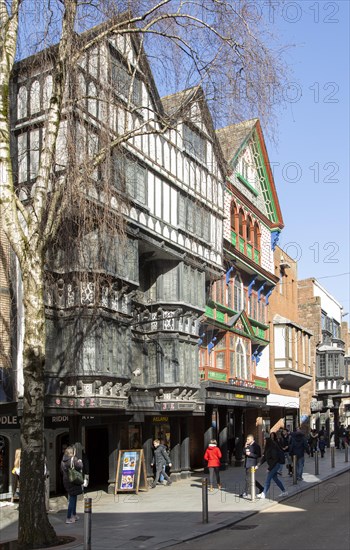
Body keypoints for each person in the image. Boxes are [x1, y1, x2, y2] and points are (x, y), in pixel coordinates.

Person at [61, 445, 83, 524]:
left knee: (73, 497)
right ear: (72, 452)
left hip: (66, 481)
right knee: (72, 500)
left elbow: (62, 470)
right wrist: (80, 461)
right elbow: (80, 466)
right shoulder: (73, 459)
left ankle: (74, 515)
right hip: (73, 481)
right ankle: (69, 517)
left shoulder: (63, 460)